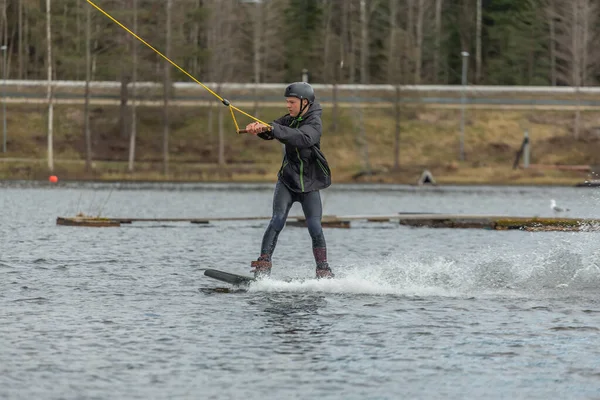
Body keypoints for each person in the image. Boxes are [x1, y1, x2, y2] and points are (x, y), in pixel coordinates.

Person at [244, 82, 334, 280]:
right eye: (287, 102)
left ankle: (323, 271)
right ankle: (263, 265)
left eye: (292, 102)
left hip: (309, 184)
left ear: (305, 103)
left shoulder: (314, 123)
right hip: (287, 180)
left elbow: (302, 138)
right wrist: (259, 129)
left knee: (314, 226)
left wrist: (274, 129)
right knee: (277, 219)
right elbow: (272, 130)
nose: (288, 106)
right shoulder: (289, 119)